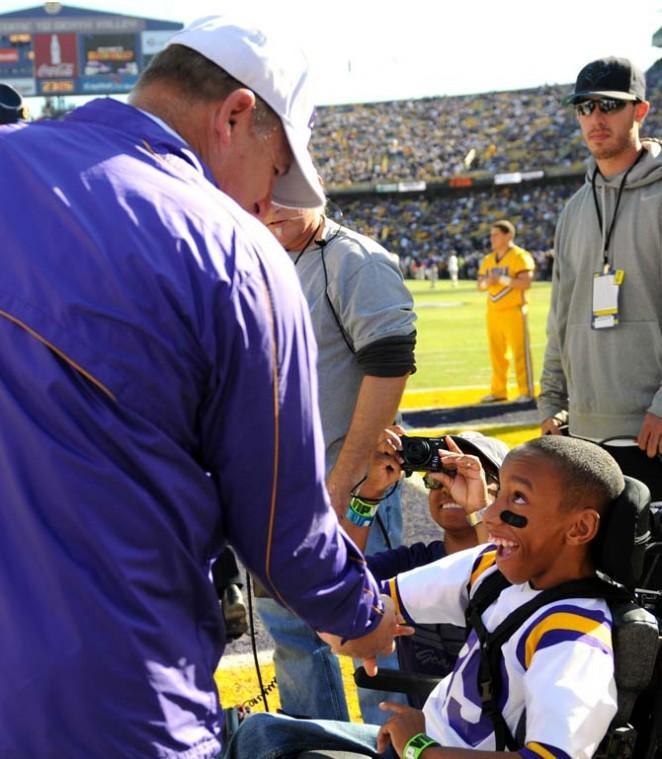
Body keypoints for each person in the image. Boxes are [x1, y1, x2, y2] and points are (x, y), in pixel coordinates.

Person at [0, 15, 408, 757]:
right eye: (276, 169)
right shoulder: (235, 249)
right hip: (111, 699)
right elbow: (283, 532)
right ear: (235, 115)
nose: (269, 202)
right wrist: (360, 611)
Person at [225, 436, 625, 758]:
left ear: (580, 529)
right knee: (261, 734)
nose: (489, 515)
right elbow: (361, 601)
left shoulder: (573, 637)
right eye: (499, 496)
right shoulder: (491, 568)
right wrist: (358, 627)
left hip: (423, 747)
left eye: (517, 499)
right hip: (419, 739)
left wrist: (422, 747)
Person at [257, 203, 417, 723]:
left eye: (288, 189)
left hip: (347, 492)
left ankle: (394, 751)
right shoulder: (255, 256)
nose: (272, 204)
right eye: (264, 189)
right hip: (273, 498)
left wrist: (345, 477)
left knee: (373, 639)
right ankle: (315, 750)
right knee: (293, 642)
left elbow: (390, 362)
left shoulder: (354, 260)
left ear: (316, 189)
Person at [539, 56, 662, 501]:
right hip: (585, 436)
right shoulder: (573, 210)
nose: (595, 118)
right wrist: (551, 400)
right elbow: (561, 313)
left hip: (653, 432)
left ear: (640, 110)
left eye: (609, 105)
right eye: (585, 107)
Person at [357, 428, 509, 707]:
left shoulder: (522, 568)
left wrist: (478, 509)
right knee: (266, 731)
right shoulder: (412, 563)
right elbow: (336, 581)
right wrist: (369, 492)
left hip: (487, 742)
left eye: (463, 476)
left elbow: (502, 578)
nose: (447, 488)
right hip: (419, 735)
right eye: (436, 480)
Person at [477, 220, 535, 403]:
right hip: (494, 311)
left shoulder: (519, 256)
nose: (492, 238)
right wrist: (489, 282)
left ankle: (526, 391)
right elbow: (480, 285)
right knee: (497, 354)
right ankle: (498, 390)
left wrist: (501, 279)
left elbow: (526, 282)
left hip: (514, 310)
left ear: (508, 235)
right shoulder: (488, 259)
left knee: (520, 352)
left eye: (496, 234)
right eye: (491, 235)